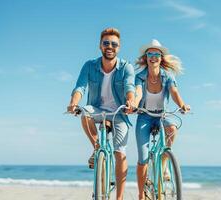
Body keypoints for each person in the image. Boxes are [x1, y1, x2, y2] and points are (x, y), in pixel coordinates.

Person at [67, 27, 135, 200]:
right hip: (97, 109)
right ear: (100, 46)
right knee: (85, 113)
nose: (110, 46)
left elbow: (129, 87)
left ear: (118, 47)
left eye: (114, 44)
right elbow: (80, 87)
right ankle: (97, 148)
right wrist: (74, 103)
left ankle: (119, 197)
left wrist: (130, 101)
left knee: (120, 153)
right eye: (106, 43)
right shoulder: (90, 66)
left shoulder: (126, 67)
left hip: (119, 113)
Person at [134, 39, 190, 200]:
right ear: (146, 57)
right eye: (150, 53)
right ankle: (140, 194)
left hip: (162, 115)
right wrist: (133, 104)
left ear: (161, 57)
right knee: (143, 159)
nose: (153, 57)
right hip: (144, 115)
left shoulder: (168, 76)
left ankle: (164, 163)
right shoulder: (140, 77)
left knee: (172, 129)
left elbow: (174, 92)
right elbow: (137, 93)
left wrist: (182, 105)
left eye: (157, 54)